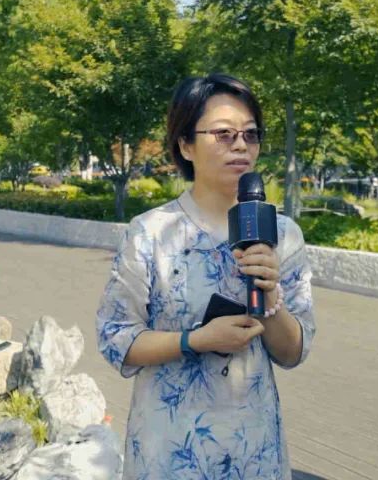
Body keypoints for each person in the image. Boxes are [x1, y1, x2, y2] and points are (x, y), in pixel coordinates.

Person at [96, 74, 315, 479]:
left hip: (254, 450)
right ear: (185, 145)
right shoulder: (150, 233)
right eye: (223, 134)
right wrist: (194, 340)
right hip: (170, 450)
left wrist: (271, 299)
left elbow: (293, 351)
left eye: (250, 134)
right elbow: (116, 339)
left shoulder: (282, 235)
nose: (240, 145)